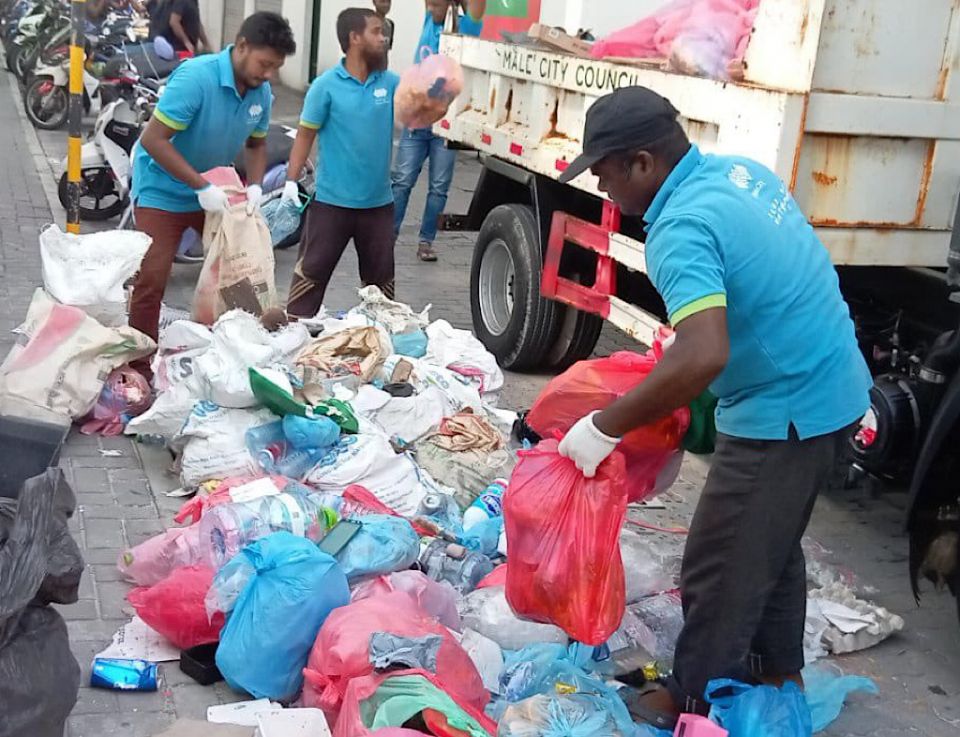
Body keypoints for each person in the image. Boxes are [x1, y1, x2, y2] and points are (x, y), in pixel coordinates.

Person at [554, 87, 872, 725]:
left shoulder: (679, 228)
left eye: (608, 173)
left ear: (643, 163)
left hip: (786, 408)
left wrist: (604, 427)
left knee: (719, 558)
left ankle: (691, 696)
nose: (605, 189)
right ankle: (777, 671)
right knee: (770, 542)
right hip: (835, 383)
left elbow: (704, 354)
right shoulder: (738, 172)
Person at [128, 11, 296, 376]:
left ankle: (232, 356)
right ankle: (138, 368)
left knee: (238, 275)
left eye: (275, 68)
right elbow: (153, 141)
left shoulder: (260, 93)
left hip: (217, 190)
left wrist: (253, 184)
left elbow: (256, 144)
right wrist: (200, 186)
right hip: (163, 188)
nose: (268, 75)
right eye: (264, 64)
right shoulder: (196, 79)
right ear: (243, 46)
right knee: (152, 278)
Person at [282, 8, 398, 318]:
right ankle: (291, 336)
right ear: (354, 38)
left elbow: (419, 110)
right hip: (331, 205)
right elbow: (305, 136)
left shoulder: (391, 83)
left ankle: (379, 347)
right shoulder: (325, 86)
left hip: (378, 208)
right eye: (376, 31)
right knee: (310, 277)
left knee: (381, 292)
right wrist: (290, 183)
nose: (383, 38)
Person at [391, 0, 486, 262]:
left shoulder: (467, 26)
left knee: (439, 187)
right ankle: (389, 235)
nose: (431, 7)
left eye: (435, 3)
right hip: (417, 118)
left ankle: (426, 241)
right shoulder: (429, 22)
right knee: (402, 181)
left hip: (444, 125)